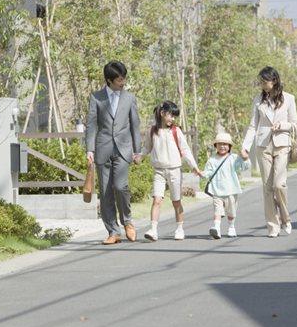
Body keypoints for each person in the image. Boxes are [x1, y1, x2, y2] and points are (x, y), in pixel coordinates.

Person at [85, 60, 142, 245]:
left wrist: (137, 151)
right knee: (105, 192)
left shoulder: (130, 98)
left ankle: (128, 222)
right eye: (119, 79)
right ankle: (113, 231)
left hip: (124, 149)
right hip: (102, 149)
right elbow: (92, 125)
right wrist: (90, 149)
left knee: (120, 186)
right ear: (109, 80)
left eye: (124, 78)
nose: (123, 82)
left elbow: (135, 125)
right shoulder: (97, 98)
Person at [240, 66, 297, 238]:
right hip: (263, 145)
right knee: (267, 188)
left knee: (279, 185)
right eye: (261, 82)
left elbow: (295, 123)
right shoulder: (258, 100)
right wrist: (245, 146)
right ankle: (273, 226)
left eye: (265, 82)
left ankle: (286, 218)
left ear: (274, 80)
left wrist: (282, 125)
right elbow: (253, 126)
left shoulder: (289, 99)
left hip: (282, 144)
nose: (262, 85)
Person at [140, 101, 203, 242]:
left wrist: (194, 167)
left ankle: (180, 228)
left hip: (174, 170)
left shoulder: (176, 131)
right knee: (157, 200)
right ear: (162, 114)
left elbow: (185, 150)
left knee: (176, 201)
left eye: (175, 117)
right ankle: (153, 230)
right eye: (171, 116)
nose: (173, 119)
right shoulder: (152, 131)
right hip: (159, 171)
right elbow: (147, 148)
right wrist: (140, 156)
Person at [203, 132, 250, 239]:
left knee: (231, 211)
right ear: (216, 146)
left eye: (225, 144)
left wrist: (245, 159)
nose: (222, 146)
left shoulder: (233, 158)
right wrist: (202, 174)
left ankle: (231, 226)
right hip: (216, 190)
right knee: (217, 210)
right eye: (219, 144)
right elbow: (208, 172)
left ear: (229, 146)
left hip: (231, 190)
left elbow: (243, 167)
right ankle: (216, 228)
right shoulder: (212, 159)